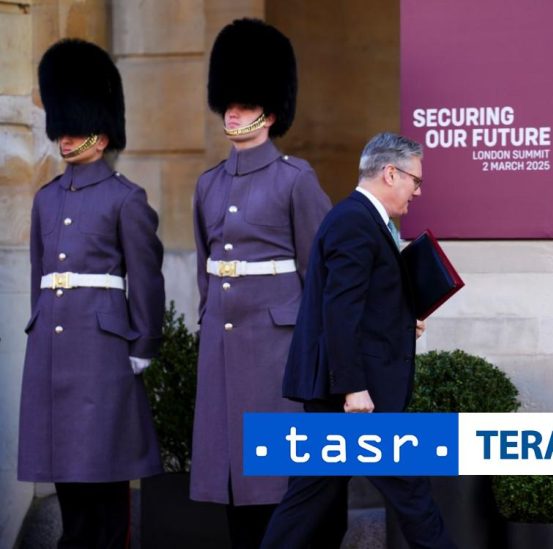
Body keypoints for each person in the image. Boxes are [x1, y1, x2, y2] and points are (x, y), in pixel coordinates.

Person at [190, 18, 344, 548]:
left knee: (275, 480)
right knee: (233, 477)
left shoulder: (295, 180)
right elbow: (206, 269)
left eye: (244, 104)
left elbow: (320, 273)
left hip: (277, 349)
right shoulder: (208, 184)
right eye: (228, 104)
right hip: (223, 345)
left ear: (270, 113)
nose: (232, 112)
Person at [261, 132, 456, 549]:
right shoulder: (354, 221)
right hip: (356, 397)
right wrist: (353, 388)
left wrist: (401, 320)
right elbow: (339, 310)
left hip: (349, 393)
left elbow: (361, 302)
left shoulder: (362, 219)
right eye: (416, 181)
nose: (418, 191)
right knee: (412, 494)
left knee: (308, 503)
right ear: (391, 173)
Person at [17, 38, 164, 548]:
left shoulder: (126, 199)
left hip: (103, 352)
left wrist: (143, 344)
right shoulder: (46, 200)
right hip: (53, 353)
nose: (65, 136)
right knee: (66, 476)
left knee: (105, 477)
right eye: (63, 126)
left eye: (76, 127)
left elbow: (146, 278)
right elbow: (40, 277)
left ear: (100, 137)